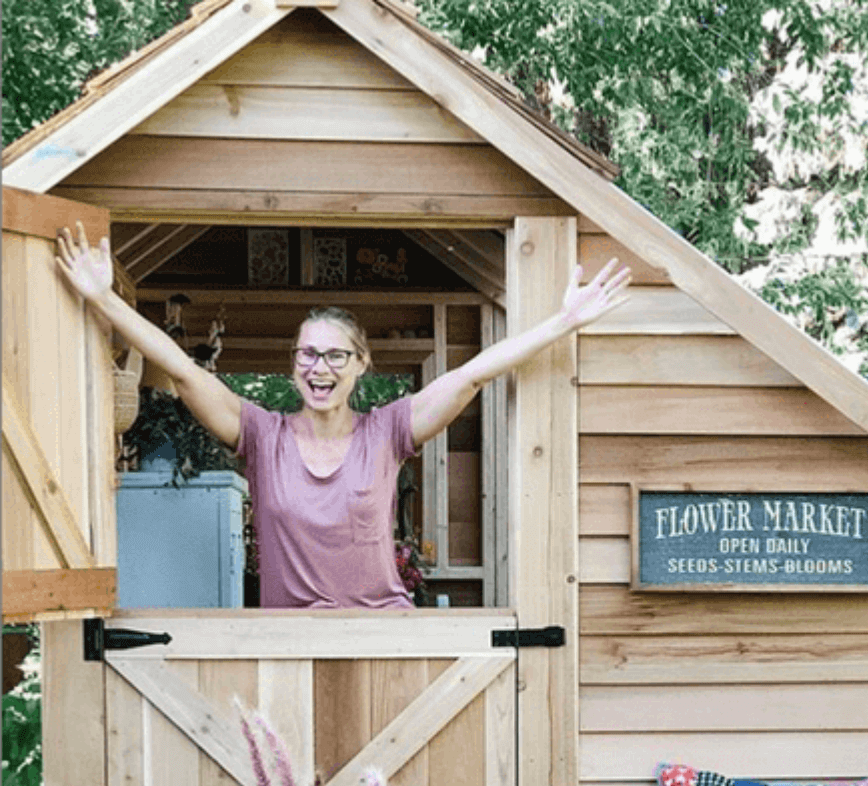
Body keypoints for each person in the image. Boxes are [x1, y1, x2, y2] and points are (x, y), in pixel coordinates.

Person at [56, 222, 632, 609]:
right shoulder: (261, 434)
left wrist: (564, 322)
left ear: (361, 364)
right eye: (308, 353)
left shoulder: (387, 431)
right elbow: (182, 370)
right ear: (293, 365)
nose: (320, 367)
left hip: (383, 633)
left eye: (336, 354)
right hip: (290, 646)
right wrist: (103, 298)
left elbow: (473, 374)